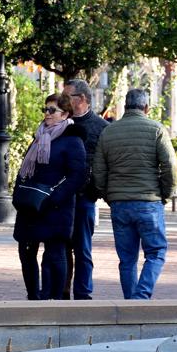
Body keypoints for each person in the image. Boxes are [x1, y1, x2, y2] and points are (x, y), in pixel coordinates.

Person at [93, 88, 177, 300]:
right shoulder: (156, 129)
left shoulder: (109, 131)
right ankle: (141, 297)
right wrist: (165, 193)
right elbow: (170, 165)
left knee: (127, 258)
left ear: (125, 107)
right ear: (146, 107)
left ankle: (131, 302)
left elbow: (99, 170)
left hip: (120, 203)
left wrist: (108, 195)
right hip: (149, 201)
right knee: (156, 252)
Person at [13, 93, 87, 300]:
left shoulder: (73, 140)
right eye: (45, 109)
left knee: (55, 253)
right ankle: (33, 296)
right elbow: (25, 170)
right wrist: (18, 194)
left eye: (52, 110)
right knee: (26, 251)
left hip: (56, 206)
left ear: (65, 114)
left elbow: (78, 175)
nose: (47, 114)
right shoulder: (39, 137)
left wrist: (54, 198)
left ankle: (52, 298)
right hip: (31, 205)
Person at [61, 78, 109, 299]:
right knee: (59, 248)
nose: (62, 101)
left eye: (66, 96)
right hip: (60, 197)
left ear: (81, 99)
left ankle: (83, 294)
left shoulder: (101, 128)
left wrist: (95, 191)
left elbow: (107, 164)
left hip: (84, 198)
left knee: (82, 249)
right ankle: (60, 291)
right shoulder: (60, 122)